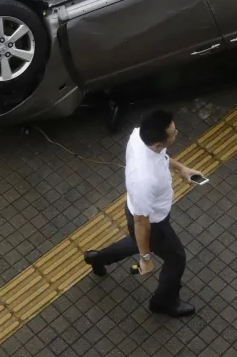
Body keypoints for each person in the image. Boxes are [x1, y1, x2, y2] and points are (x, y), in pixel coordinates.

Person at [83, 109, 203, 318]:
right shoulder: (144, 180)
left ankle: (98, 259)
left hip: (140, 211)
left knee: (137, 241)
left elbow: (162, 158)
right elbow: (141, 223)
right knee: (176, 259)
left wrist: (181, 169)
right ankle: (162, 302)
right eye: (174, 133)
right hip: (153, 222)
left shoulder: (139, 136)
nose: (177, 133)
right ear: (158, 143)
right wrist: (145, 258)